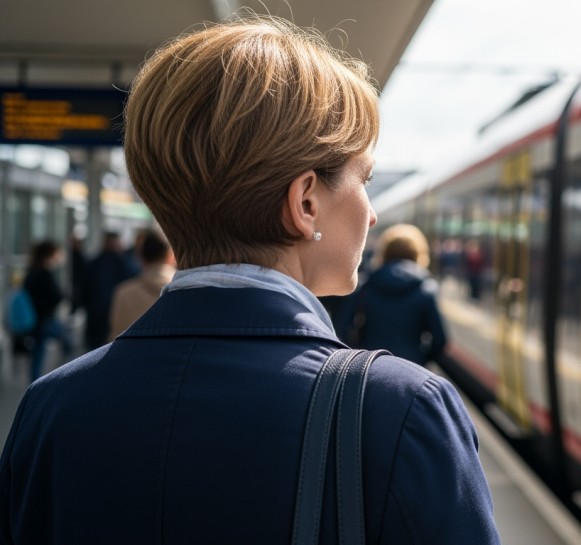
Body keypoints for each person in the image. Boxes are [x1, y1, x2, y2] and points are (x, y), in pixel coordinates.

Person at [0, 16, 499, 545]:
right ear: (306, 203)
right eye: (365, 180)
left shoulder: (50, 409)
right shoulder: (402, 412)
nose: (372, 215)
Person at [337, 224, 448, 366]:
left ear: (384, 252)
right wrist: (420, 359)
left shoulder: (366, 285)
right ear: (418, 254)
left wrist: (358, 352)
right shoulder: (426, 289)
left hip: (370, 364)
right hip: (411, 366)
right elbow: (439, 340)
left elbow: (342, 327)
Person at [107, 228, 176, 340]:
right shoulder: (188, 291)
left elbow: (115, 337)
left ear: (141, 257)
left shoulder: (124, 293)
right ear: (170, 256)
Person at [21, 240, 73, 382]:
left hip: (34, 320)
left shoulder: (31, 271)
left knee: (38, 354)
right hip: (44, 319)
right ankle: (66, 375)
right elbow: (55, 296)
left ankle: (35, 383)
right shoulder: (44, 273)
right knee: (67, 342)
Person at [81, 231, 134, 349]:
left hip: (98, 312)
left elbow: (85, 288)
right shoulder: (124, 263)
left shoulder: (96, 262)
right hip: (109, 310)